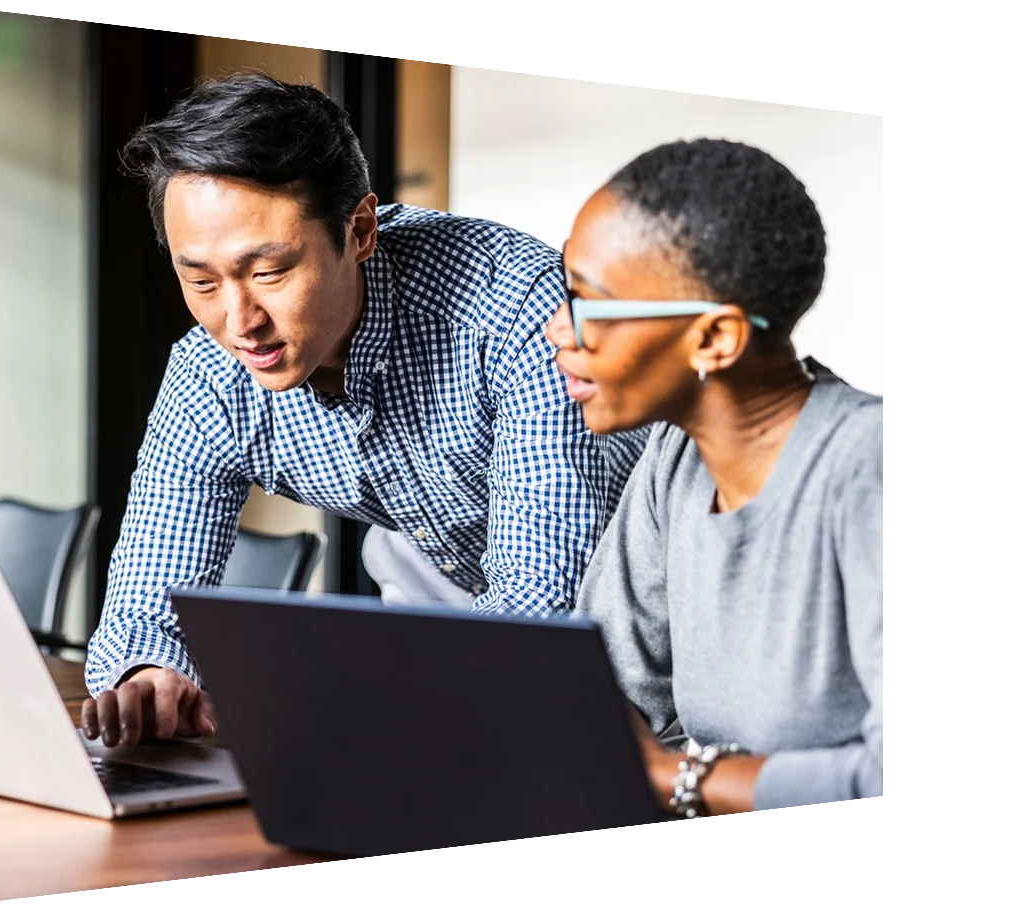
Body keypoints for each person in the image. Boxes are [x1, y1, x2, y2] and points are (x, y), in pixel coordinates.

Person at [80, 72, 651, 748]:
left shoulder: (520, 313)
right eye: (200, 280)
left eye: (269, 273)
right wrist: (150, 672)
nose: (238, 322)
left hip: (659, 633)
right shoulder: (211, 374)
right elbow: (149, 589)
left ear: (359, 229)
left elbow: (539, 611)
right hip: (481, 625)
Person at [545, 137, 883, 816]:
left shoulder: (864, 470)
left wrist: (677, 777)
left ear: (714, 340)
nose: (558, 329)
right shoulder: (677, 460)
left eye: (588, 304)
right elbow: (593, 696)